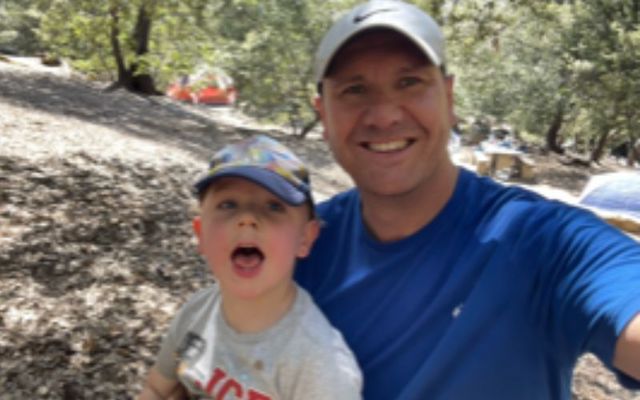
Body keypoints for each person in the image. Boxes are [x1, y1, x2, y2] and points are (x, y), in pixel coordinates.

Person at [294, 1, 640, 399]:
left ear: (449, 97)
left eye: (409, 82)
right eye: (354, 90)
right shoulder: (299, 245)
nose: (384, 115)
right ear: (323, 114)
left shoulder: (543, 241)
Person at [138, 135, 362, 399]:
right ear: (200, 234)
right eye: (228, 204)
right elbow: (156, 388)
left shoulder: (320, 366)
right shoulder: (196, 313)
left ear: (305, 238)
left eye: (274, 206)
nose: (247, 219)